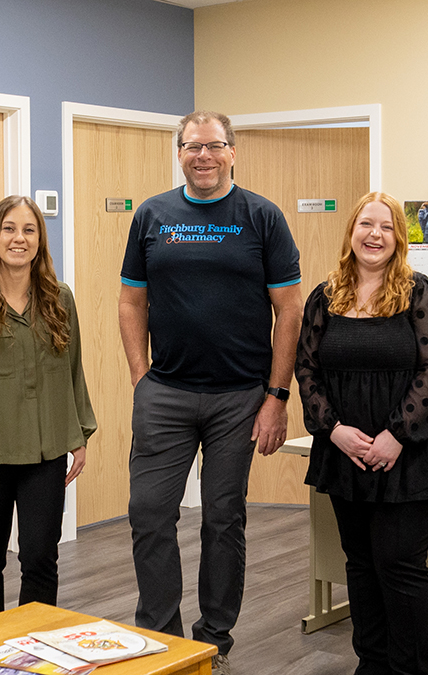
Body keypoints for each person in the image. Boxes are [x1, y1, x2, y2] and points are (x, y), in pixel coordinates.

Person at [118, 110, 303, 674]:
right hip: (165, 394)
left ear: (232, 152)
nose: (203, 156)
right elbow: (131, 301)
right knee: (150, 514)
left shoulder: (261, 217)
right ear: (179, 152)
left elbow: (289, 309)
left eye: (214, 146)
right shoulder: (152, 215)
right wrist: (139, 376)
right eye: (192, 146)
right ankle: (162, 639)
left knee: (224, 518)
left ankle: (213, 639)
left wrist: (277, 396)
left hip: (239, 398)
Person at [294, 191, 428, 675]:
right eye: (366, 224)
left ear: (400, 237)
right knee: (361, 565)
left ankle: (414, 670)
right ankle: (372, 665)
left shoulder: (420, 292)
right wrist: (334, 430)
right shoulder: (325, 296)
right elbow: (306, 368)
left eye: (387, 226)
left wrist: (397, 434)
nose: (376, 235)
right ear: (351, 232)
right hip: (346, 452)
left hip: (408, 455)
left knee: (400, 566)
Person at [0, 194, 96, 619]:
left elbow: (73, 370)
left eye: (29, 230)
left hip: (45, 456)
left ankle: (34, 650)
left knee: (41, 559)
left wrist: (78, 433)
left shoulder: (60, 299)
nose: (19, 238)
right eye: (9, 228)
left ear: (40, 241)